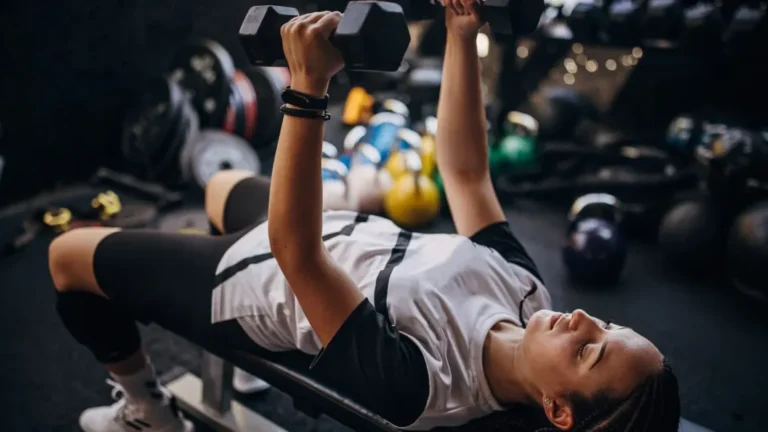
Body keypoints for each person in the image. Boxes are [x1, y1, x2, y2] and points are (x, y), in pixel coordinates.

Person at [48, 1, 681, 431]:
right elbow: (464, 174)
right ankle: (223, 370)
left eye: (589, 352)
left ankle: (145, 410)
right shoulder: (525, 292)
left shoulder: (421, 384)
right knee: (217, 188)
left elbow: (296, 253)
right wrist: (463, 33)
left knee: (67, 258)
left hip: (268, 272)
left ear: (557, 411)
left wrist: (306, 91)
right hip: (335, 230)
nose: (579, 320)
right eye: (604, 324)